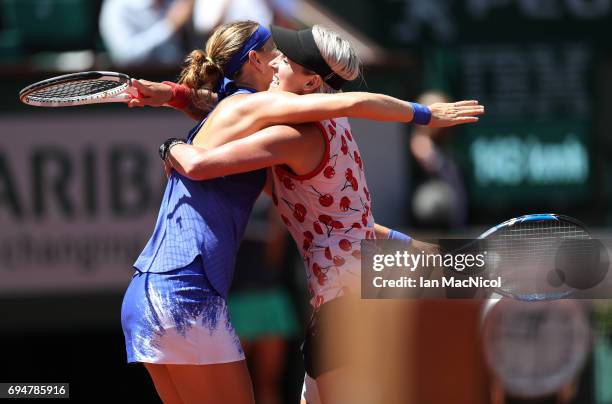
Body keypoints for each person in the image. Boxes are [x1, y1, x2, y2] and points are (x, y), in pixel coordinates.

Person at [132, 24, 484, 403]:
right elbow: (355, 229)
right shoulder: (330, 130)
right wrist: (432, 255)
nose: (279, 61)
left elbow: (208, 153)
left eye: (288, 59)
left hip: (344, 308)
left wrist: (172, 147)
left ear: (311, 84)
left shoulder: (289, 138)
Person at [99, 0, 194, 67]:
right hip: (139, 82)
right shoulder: (118, 6)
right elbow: (124, 55)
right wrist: (168, 26)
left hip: (179, 76)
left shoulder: (176, 3)